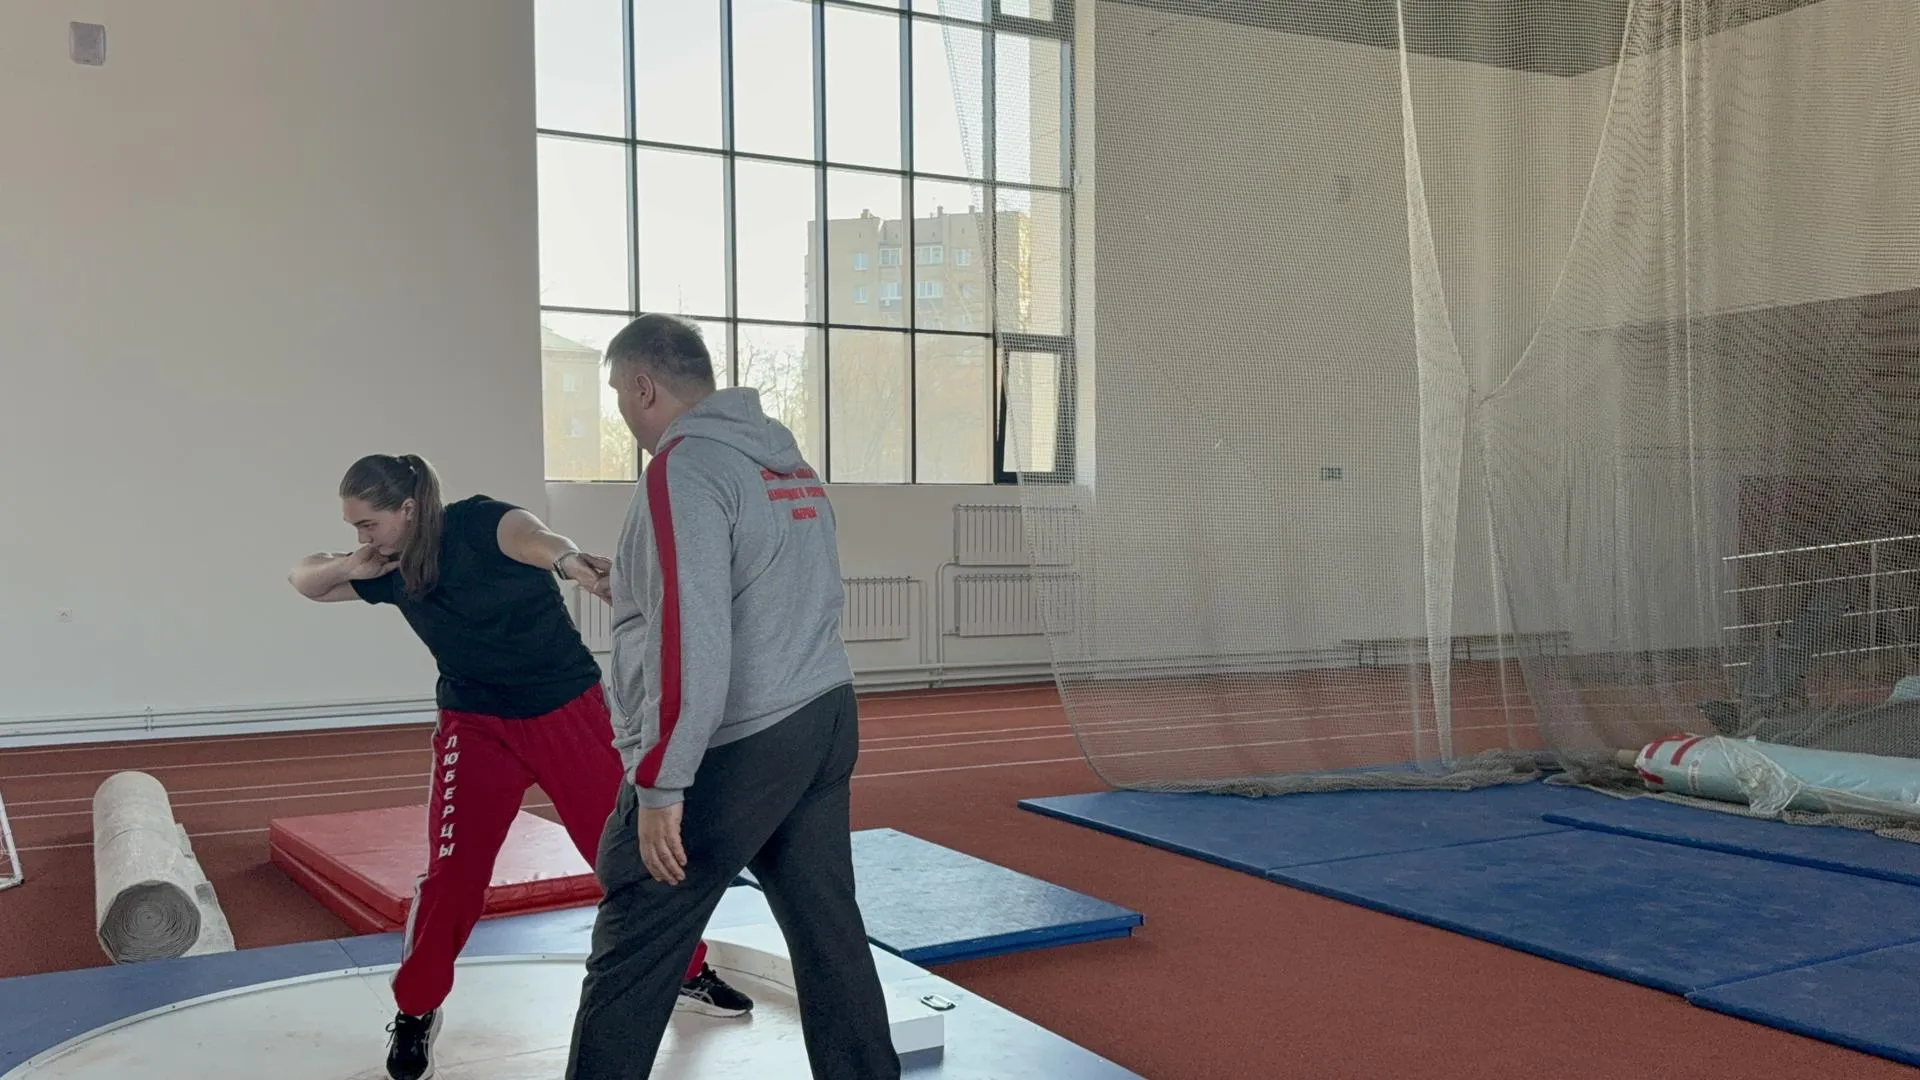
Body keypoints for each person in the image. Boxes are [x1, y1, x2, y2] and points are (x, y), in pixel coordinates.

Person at [287, 453, 752, 1080]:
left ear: (409, 508)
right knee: (453, 876)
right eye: (353, 527)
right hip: (475, 726)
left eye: (367, 523)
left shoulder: (480, 522)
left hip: (566, 712)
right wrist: (351, 563)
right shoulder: (389, 565)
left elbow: (536, 538)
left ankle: (684, 971)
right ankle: (417, 1007)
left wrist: (570, 563)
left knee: (624, 853)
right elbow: (303, 579)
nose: (361, 536)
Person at [565, 315, 900, 1078]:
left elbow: (695, 637)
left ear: (643, 386)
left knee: (636, 932)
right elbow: (765, 584)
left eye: (617, 392)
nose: (620, 409)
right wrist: (637, 586)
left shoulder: (683, 468)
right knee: (828, 933)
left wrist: (662, 783)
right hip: (822, 714)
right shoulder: (782, 459)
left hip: (737, 738)